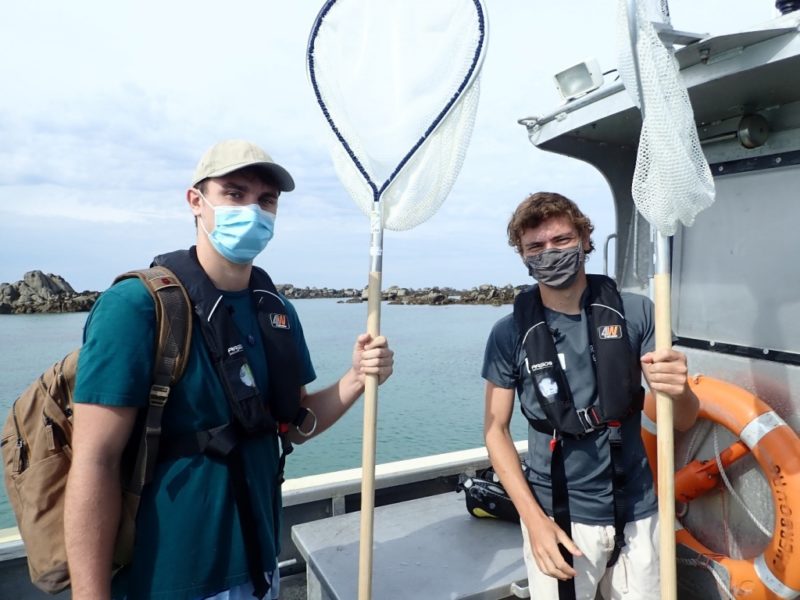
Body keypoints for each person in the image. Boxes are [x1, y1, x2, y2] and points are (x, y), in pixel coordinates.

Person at [64, 139, 394, 600]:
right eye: (235, 194)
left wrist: (356, 378)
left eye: (266, 200)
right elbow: (94, 461)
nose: (254, 210)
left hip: (261, 570)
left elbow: (292, 424)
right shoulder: (135, 307)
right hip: (168, 580)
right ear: (196, 202)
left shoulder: (274, 310)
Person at [482, 192, 698, 600]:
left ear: (584, 238)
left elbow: (683, 419)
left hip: (638, 510)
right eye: (536, 247)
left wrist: (679, 388)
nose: (550, 253)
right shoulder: (508, 334)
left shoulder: (639, 313)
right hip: (556, 516)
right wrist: (535, 523)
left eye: (561, 240)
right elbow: (495, 431)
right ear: (523, 256)